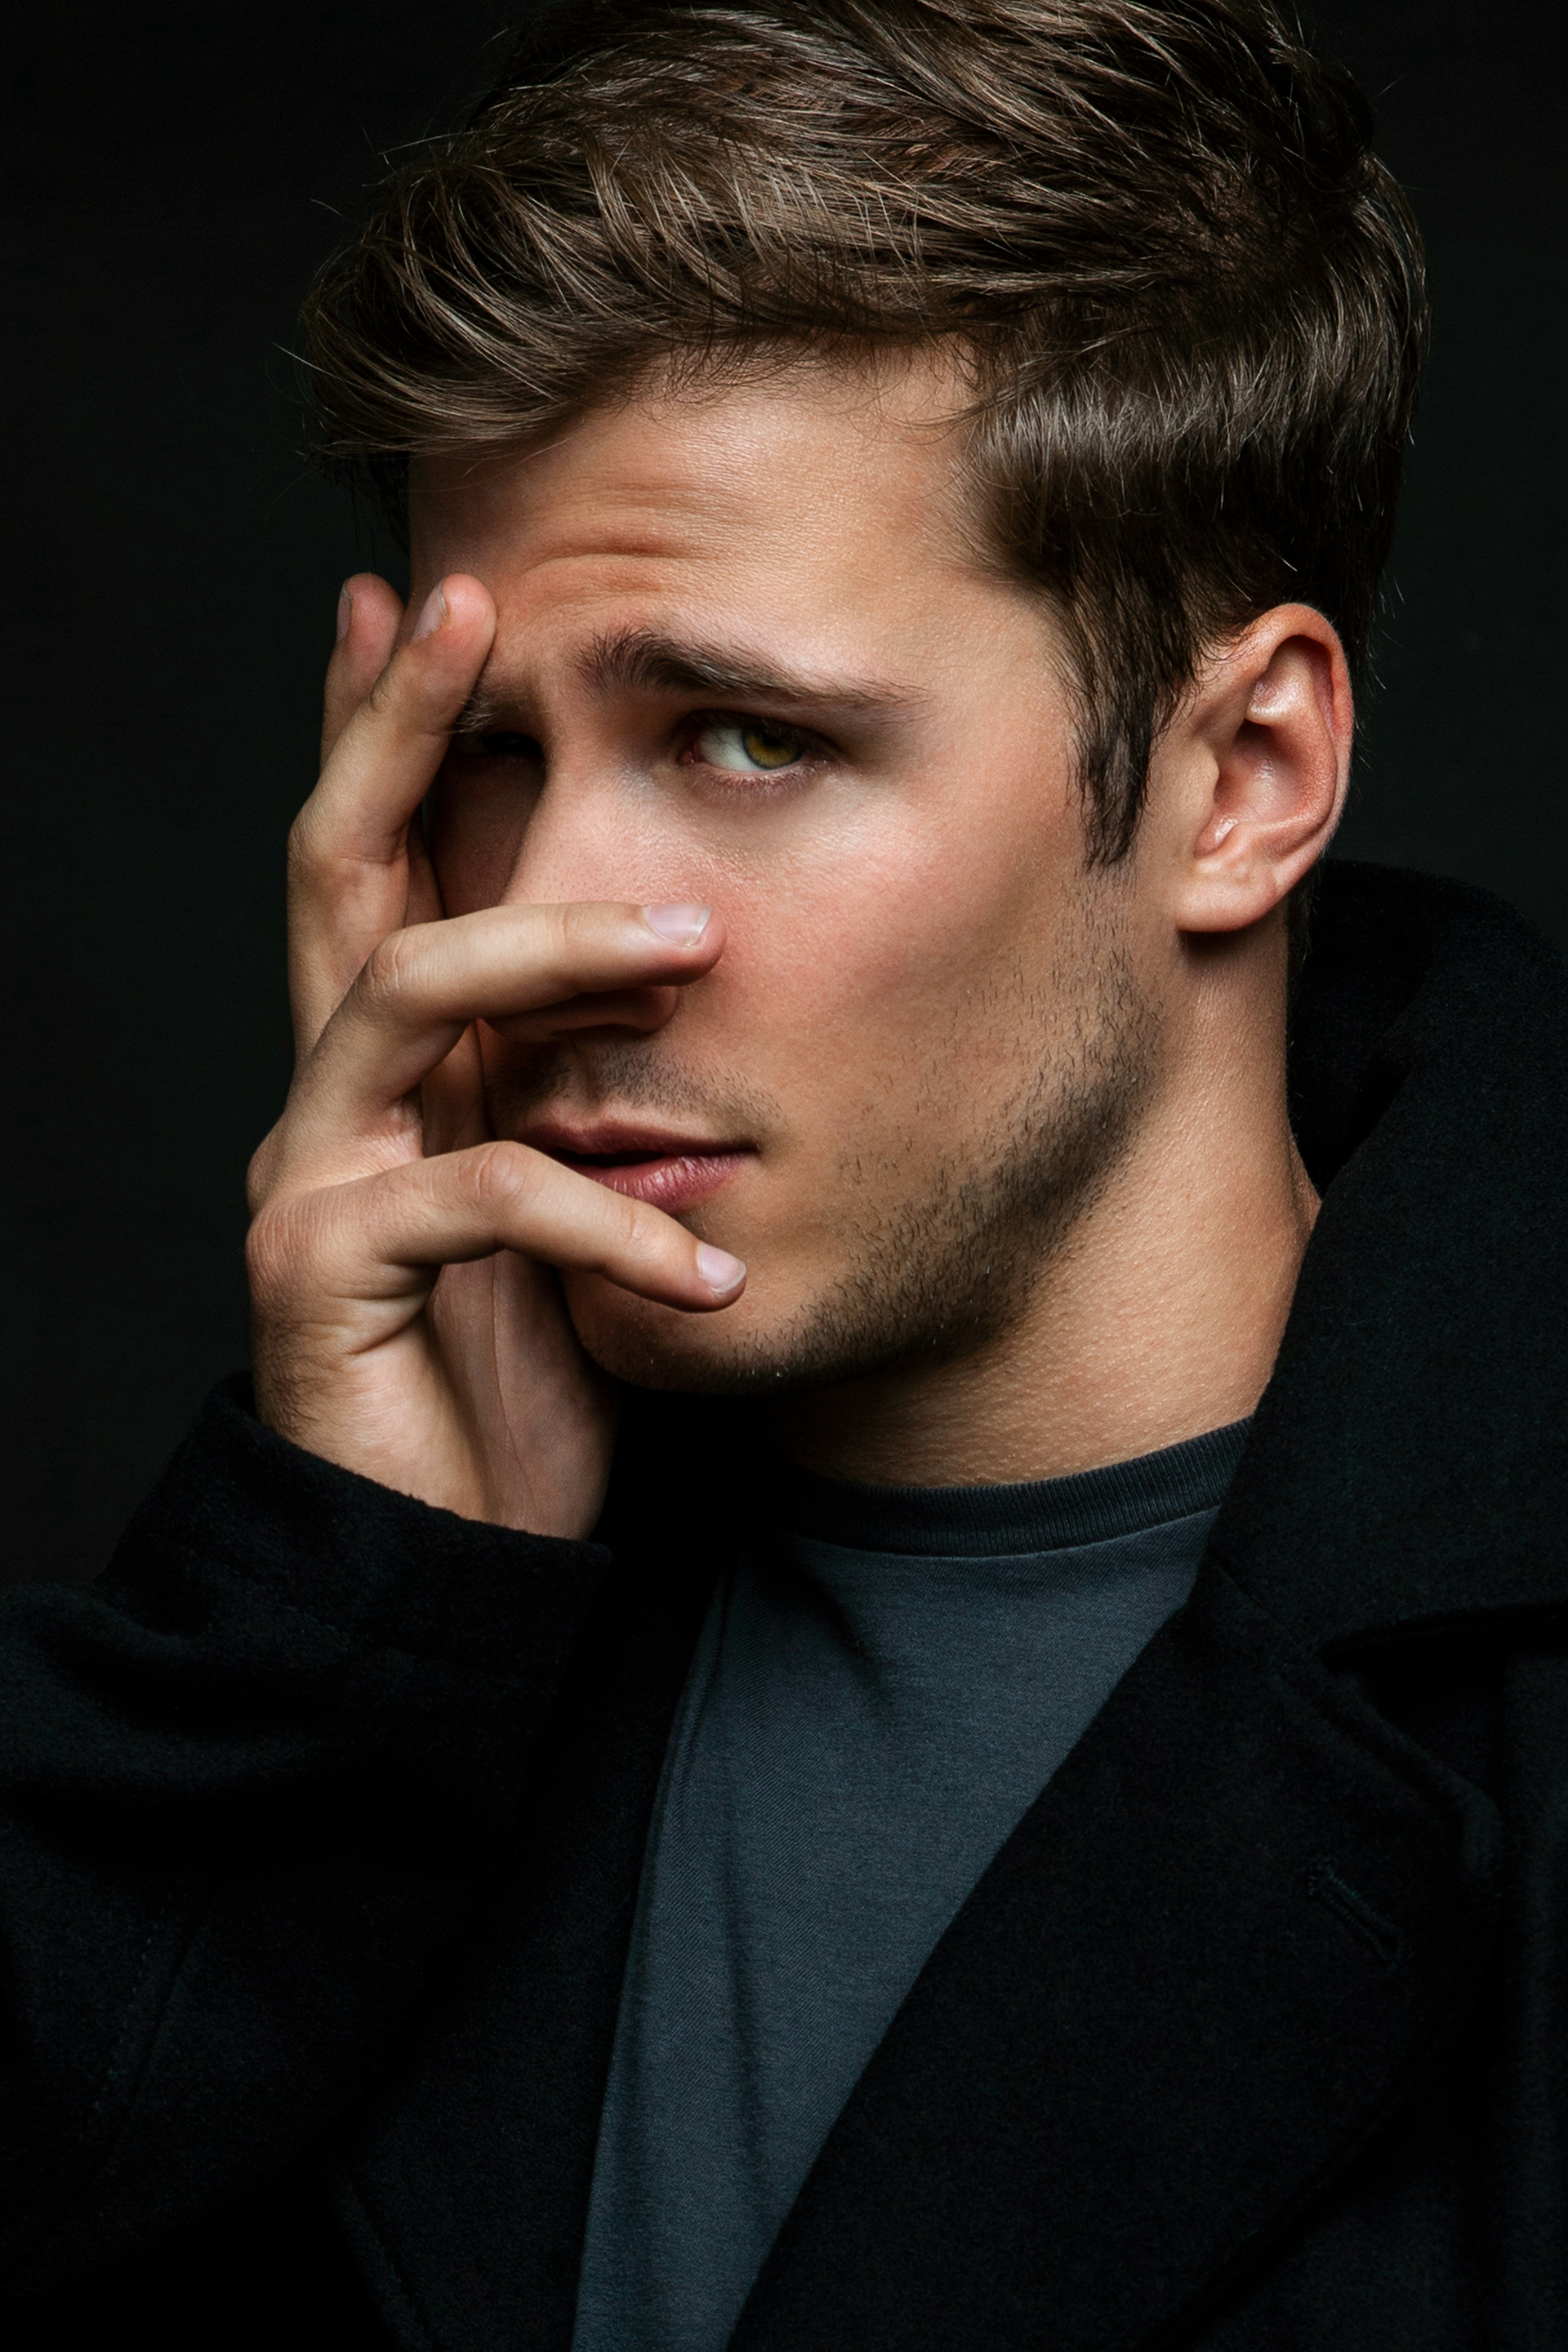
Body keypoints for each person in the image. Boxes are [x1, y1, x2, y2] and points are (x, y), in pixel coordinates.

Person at [3, 1, 1566, 2345]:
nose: (549, 925)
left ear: (1247, 775)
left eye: (746, 738)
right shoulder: (379, 1622)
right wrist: (326, 1653)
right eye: (492, 752)